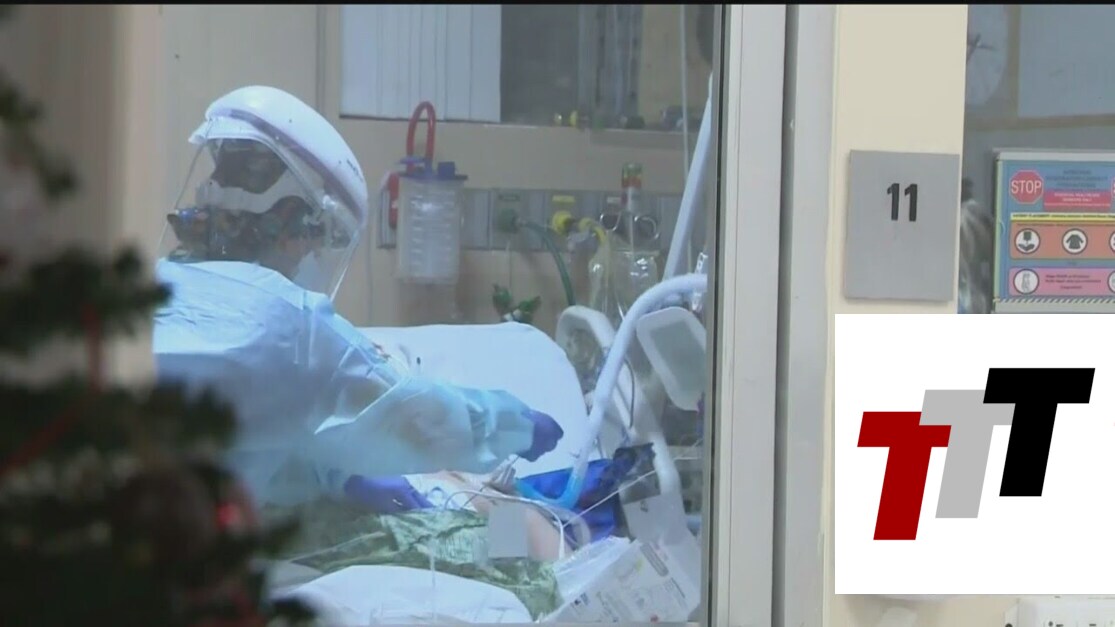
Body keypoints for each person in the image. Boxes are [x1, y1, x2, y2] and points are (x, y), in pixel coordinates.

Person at [153, 85, 563, 506]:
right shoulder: (293, 330)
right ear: (298, 228)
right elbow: (412, 413)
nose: (311, 256)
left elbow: (242, 446)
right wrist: (513, 426)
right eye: (317, 241)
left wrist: (329, 475)